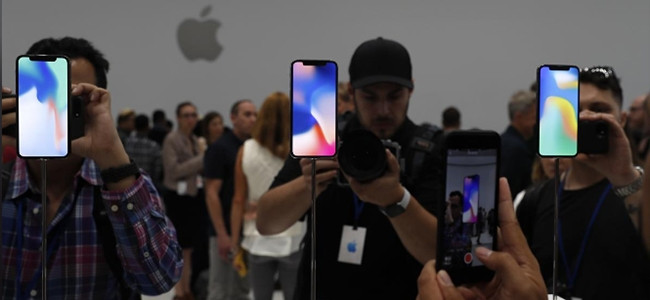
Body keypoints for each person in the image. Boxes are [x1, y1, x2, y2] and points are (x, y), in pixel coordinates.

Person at [257, 37, 441, 299]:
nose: (383, 110)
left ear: (411, 90)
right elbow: (266, 223)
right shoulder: (323, 140)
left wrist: (396, 199)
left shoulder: (427, 149)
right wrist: (307, 184)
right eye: (370, 97)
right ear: (351, 92)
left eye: (394, 96)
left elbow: (437, 252)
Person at [1, 37, 182, 298]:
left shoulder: (122, 186)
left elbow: (159, 280)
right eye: (48, 96)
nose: (57, 112)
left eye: (73, 99)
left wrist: (113, 158)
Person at [517, 66, 650, 299]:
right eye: (574, 110)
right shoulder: (533, 200)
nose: (585, 118)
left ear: (623, 119)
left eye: (599, 110)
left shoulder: (640, 194)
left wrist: (625, 178)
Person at [416, 178, 547, 300]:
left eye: (454, 206)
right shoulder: (448, 225)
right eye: (448, 206)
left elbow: (462, 241)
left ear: (462, 208)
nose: (449, 210)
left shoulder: (466, 227)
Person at [229, 92, 304, 300]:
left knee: (260, 295)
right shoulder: (300, 149)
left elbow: (238, 200)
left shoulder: (246, 150)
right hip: (294, 232)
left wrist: (235, 243)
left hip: (257, 233)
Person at [204, 99, 257, 300]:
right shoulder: (220, 148)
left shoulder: (254, 148)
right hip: (224, 227)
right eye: (247, 114)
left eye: (255, 114)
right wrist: (222, 234)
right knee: (220, 288)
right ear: (233, 118)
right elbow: (211, 193)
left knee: (242, 289)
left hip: (247, 228)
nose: (253, 119)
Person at [162, 101, 206, 300]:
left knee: (189, 248)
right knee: (179, 247)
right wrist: (202, 159)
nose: (191, 119)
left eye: (194, 115)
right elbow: (174, 170)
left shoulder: (196, 140)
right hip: (177, 198)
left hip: (193, 196)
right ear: (178, 118)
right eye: (187, 115)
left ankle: (186, 288)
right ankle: (179, 291)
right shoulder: (172, 139)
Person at [499, 90, 537, 199]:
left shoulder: (503, 141)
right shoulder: (517, 150)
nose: (537, 122)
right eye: (534, 117)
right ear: (519, 117)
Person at [124, 114, 163, 190]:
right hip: (148, 183)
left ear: (134, 126)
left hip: (129, 183)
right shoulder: (154, 146)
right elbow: (157, 169)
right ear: (147, 126)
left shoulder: (127, 142)